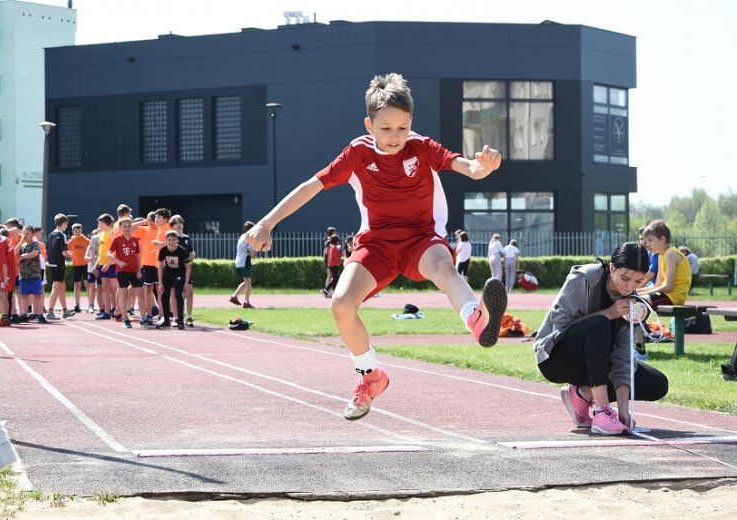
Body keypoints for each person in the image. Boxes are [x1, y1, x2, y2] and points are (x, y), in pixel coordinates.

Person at [244, 72, 507, 421]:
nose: (395, 136)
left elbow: (466, 167)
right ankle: (370, 376)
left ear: (411, 122)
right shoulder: (356, 154)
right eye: (386, 129)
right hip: (377, 244)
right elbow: (312, 185)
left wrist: (481, 167)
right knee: (340, 304)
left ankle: (477, 320)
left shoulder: (422, 147)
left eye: (402, 127)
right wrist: (267, 222)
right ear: (369, 124)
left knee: (444, 268)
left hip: (420, 239)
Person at [533, 242, 669, 435]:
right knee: (600, 323)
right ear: (612, 267)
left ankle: (581, 394)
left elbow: (622, 357)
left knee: (656, 383)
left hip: (596, 365)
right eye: (625, 278)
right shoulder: (585, 278)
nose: (629, 286)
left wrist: (624, 409)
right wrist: (609, 313)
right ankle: (601, 411)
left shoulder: (632, 301)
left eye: (638, 282)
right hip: (556, 358)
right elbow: (560, 323)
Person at [637, 220, 691, 308]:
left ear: (662, 239)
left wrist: (641, 293)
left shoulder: (671, 254)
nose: (647, 244)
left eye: (650, 240)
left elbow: (668, 287)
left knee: (636, 301)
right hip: (666, 294)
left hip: (673, 297)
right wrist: (637, 291)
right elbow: (657, 285)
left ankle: (637, 322)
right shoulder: (661, 256)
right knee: (634, 297)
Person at [108, 217, 148, 328]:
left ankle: (144, 317)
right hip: (122, 270)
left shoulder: (135, 240)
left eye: (128, 226)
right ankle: (125, 318)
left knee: (140, 293)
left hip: (134, 270)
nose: (126, 228)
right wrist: (118, 261)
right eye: (124, 226)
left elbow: (138, 256)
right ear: (120, 228)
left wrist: (139, 270)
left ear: (132, 227)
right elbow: (109, 254)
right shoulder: (117, 240)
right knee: (123, 293)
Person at [156, 230, 191, 330]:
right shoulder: (163, 251)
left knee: (178, 296)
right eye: (169, 240)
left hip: (179, 274)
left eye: (173, 240)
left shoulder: (182, 251)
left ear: (177, 240)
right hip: (167, 274)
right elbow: (160, 266)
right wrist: (160, 282)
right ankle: (166, 319)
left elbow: (188, 266)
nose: (171, 242)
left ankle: (180, 320)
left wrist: (186, 282)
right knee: (164, 296)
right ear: (166, 240)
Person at [16, 225, 47, 324]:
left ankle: (40, 314)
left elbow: (34, 253)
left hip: (34, 274)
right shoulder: (22, 245)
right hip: (24, 274)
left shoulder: (35, 244)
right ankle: (24, 314)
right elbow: (15, 253)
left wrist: (23, 256)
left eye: (27, 234)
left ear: (32, 234)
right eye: (24, 234)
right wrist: (20, 242)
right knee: (24, 295)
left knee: (37, 295)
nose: (25, 236)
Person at [46, 213, 74, 319]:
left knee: (62, 286)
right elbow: (64, 252)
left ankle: (65, 310)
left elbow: (49, 249)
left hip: (52, 263)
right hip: (59, 264)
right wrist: (73, 257)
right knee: (56, 286)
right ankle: (50, 311)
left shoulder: (51, 234)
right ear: (64, 223)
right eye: (67, 224)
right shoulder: (62, 235)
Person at [170, 214, 197, 327]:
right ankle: (175, 317)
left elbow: (191, 251)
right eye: (176, 223)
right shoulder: (171, 239)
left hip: (186, 269)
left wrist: (192, 256)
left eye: (180, 223)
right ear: (172, 227)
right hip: (175, 269)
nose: (179, 225)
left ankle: (189, 316)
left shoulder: (186, 238)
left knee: (189, 292)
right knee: (174, 294)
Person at [230, 221, 256, 309]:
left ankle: (234, 297)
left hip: (239, 261)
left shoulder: (242, 236)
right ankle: (246, 302)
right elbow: (252, 253)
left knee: (246, 282)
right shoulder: (249, 238)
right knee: (248, 283)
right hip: (245, 261)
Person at [67, 223, 90, 312]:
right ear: (73, 232)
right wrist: (72, 256)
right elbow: (65, 251)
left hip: (86, 265)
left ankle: (90, 304)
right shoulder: (71, 242)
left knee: (87, 284)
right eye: (76, 231)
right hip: (76, 265)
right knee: (77, 285)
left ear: (82, 231)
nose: (78, 233)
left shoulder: (87, 241)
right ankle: (77, 305)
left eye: (79, 231)